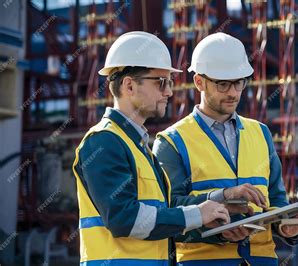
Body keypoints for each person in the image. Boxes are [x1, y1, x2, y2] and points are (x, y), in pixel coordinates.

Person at [72, 31, 230, 266]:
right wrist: (198, 214)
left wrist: (212, 213)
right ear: (129, 85)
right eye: (161, 82)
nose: (168, 92)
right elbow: (124, 218)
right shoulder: (103, 141)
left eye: (170, 82)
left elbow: (160, 218)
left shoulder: (139, 147)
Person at [153, 32, 298, 266]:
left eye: (239, 82)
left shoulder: (260, 133)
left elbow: (276, 199)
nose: (233, 93)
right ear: (199, 82)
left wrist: (287, 227)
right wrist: (218, 231)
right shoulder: (172, 141)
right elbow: (167, 214)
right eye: (223, 84)